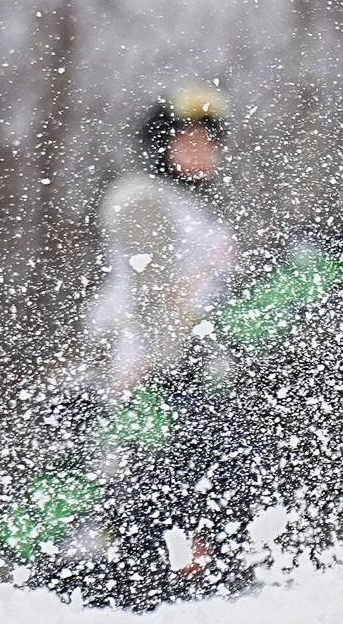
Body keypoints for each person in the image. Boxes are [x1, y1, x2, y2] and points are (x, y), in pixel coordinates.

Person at [84, 85, 239, 399]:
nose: (201, 151)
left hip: (191, 359)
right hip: (142, 366)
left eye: (209, 142)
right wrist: (169, 371)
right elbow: (150, 292)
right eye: (188, 141)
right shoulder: (144, 200)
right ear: (162, 146)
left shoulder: (198, 209)